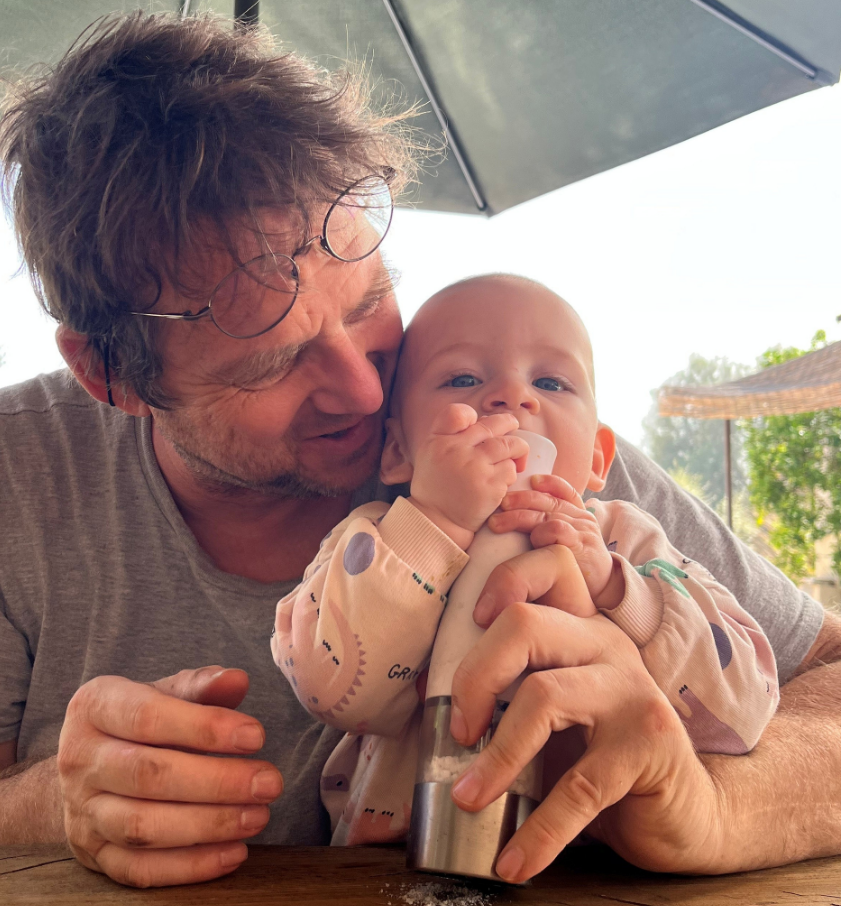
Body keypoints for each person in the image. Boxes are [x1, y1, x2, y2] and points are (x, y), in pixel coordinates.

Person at [0, 11, 841, 889]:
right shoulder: (0, 472)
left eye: (370, 300)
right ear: (113, 376)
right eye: (273, 362)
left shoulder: (523, 441)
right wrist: (55, 805)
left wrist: (706, 804)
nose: (370, 386)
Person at [274, 275, 778, 867]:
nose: (512, 396)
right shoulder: (379, 539)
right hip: (392, 868)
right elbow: (326, 689)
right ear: (397, 452)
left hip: (601, 877)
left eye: (550, 381)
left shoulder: (631, 544)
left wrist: (619, 591)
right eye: (463, 378)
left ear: (597, 458)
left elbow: (744, 712)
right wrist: (434, 523)